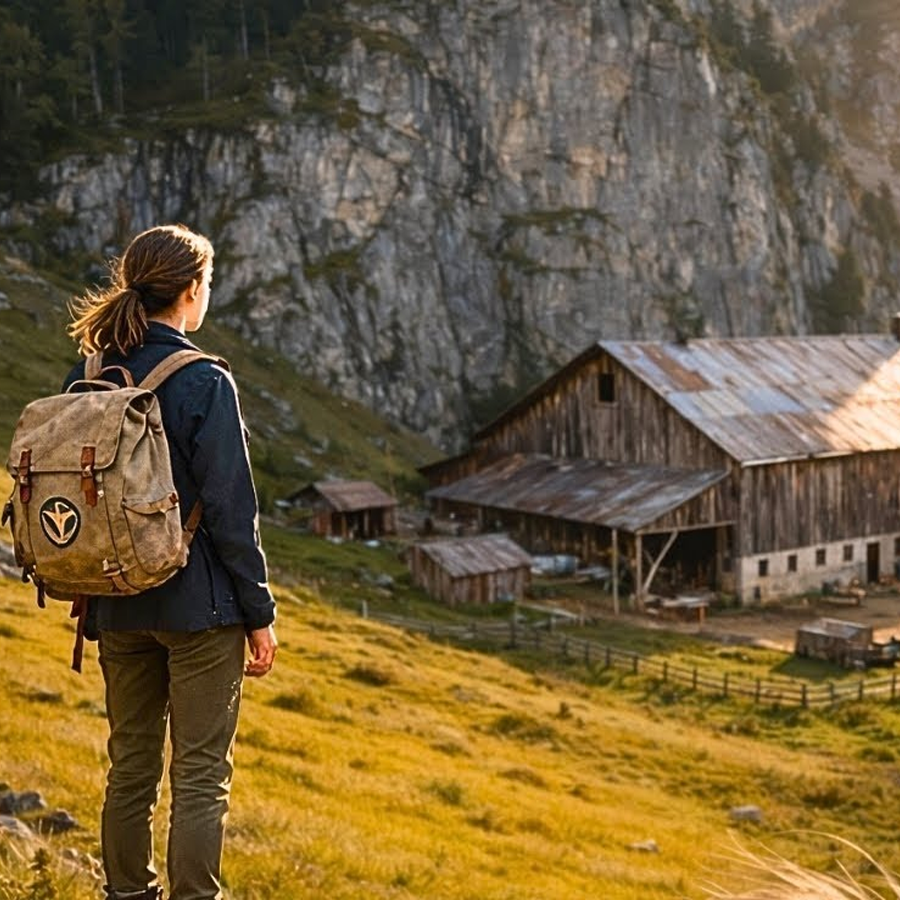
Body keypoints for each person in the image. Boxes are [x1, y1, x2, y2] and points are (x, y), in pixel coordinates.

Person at [65, 223, 277, 900]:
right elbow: (231, 511)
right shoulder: (203, 380)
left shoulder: (87, 374)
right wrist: (259, 613)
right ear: (192, 291)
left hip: (115, 600)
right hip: (200, 607)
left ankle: (126, 894)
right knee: (199, 774)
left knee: (128, 767)